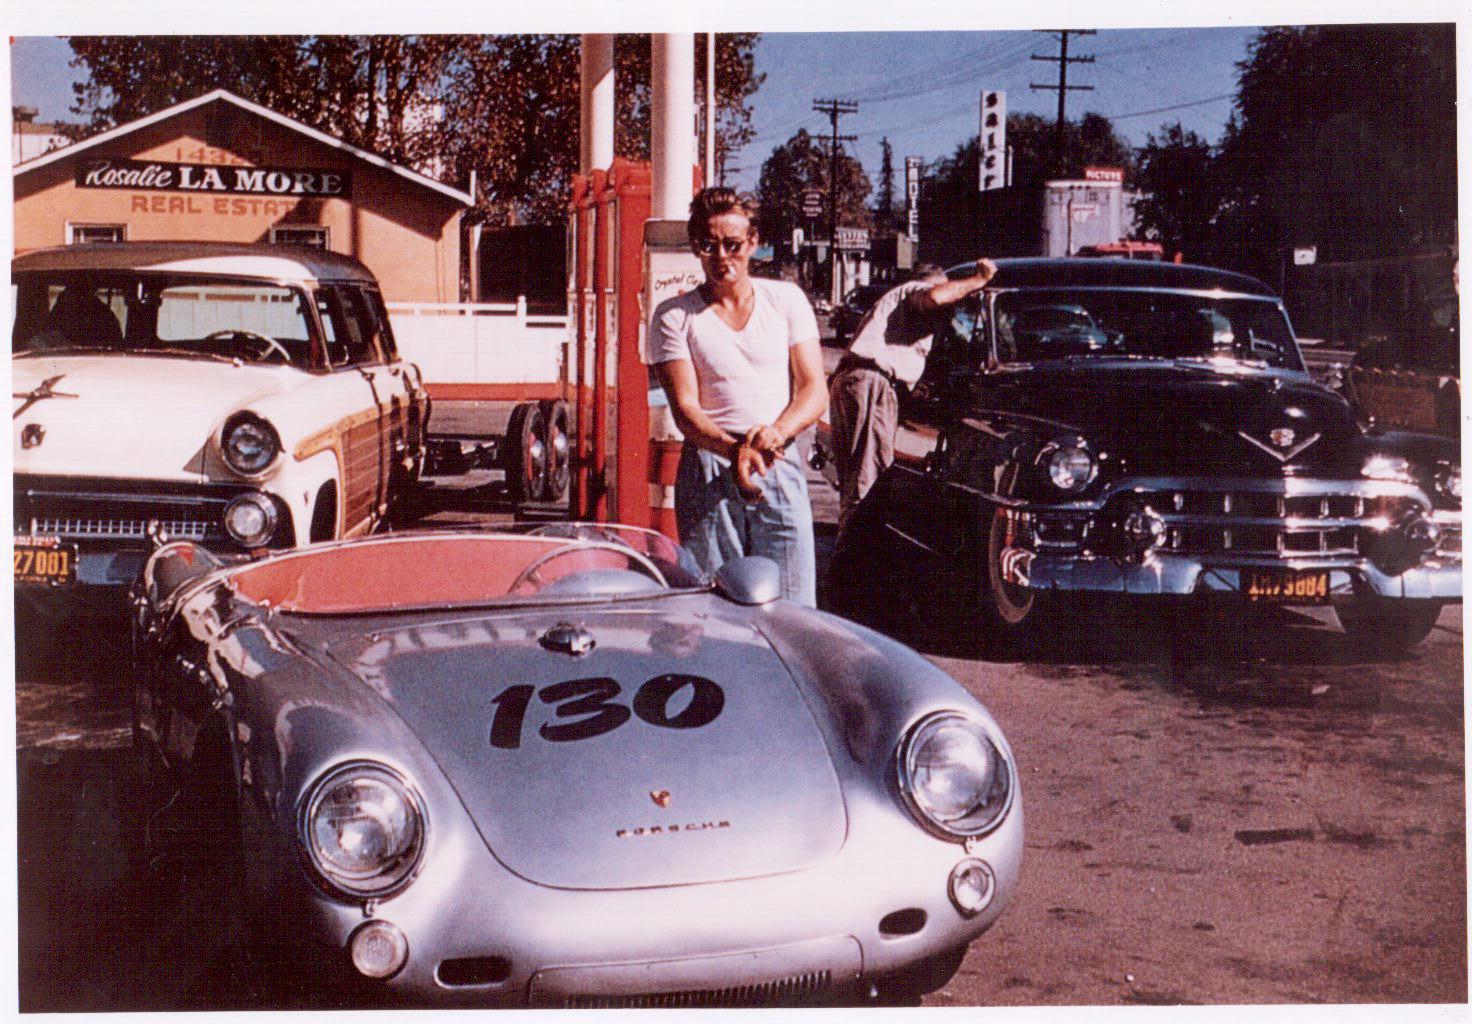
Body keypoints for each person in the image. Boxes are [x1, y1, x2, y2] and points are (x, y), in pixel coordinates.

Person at [648, 187, 827, 606]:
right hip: (710, 464)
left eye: (733, 245)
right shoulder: (674, 316)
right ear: (696, 247)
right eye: (709, 245)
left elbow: (813, 389)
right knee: (714, 603)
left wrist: (775, 433)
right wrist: (735, 450)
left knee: (793, 604)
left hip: (776, 459)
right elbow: (686, 410)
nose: (722, 256)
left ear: (753, 242)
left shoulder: (786, 301)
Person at [828, 258, 997, 526]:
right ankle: (860, 557)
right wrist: (978, 280)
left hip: (857, 381)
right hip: (871, 383)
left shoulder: (899, 311)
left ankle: (853, 549)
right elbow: (933, 297)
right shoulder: (915, 291)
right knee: (868, 483)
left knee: (858, 482)